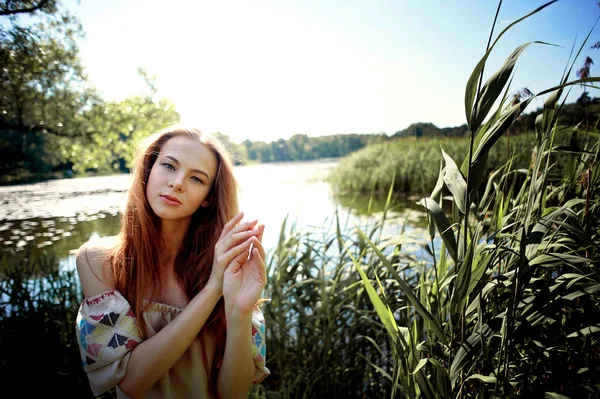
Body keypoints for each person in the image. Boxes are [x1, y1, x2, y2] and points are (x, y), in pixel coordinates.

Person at [74, 125, 270, 398]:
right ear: (148, 169)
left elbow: (233, 395)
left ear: (208, 198)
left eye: (197, 179)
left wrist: (239, 312)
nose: (177, 182)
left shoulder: (228, 266)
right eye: (169, 165)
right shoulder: (99, 260)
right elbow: (131, 382)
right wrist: (212, 289)